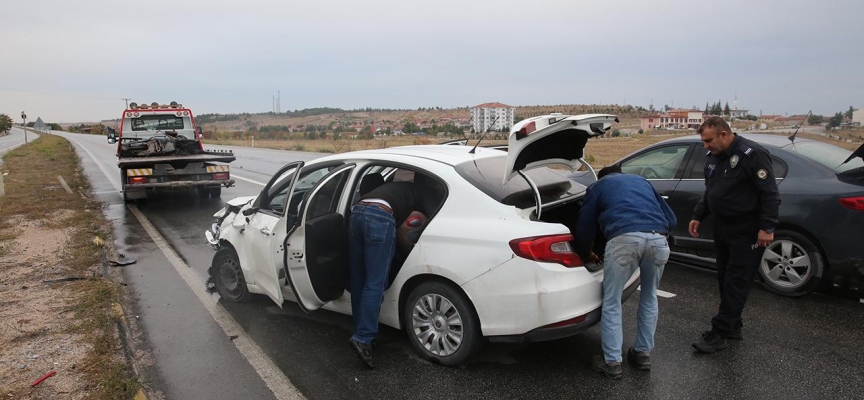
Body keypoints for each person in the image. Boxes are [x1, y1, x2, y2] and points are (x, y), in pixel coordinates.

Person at [575, 164, 677, 379]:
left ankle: (612, 362)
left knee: (612, 301)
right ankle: (642, 355)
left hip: (624, 241)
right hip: (659, 240)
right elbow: (672, 220)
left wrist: (585, 253)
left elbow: (584, 226)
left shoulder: (598, 186)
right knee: (650, 297)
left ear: (602, 177)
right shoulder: (642, 182)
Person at [689, 116, 780, 354]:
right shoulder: (713, 158)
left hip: (747, 229)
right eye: (703, 142)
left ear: (724, 134)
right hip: (722, 227)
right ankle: (733, 325)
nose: (705, 146)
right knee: (724, 278)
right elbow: (711, 191)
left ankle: (719, 332)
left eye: (709, 141)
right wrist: (698, 215)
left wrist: (767, 227)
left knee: (736, 281)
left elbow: (769, 194)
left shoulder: (753, 155)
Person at [347, 175, 425, 369]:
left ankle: (362, 331)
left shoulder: (392, 187)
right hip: (380, 216)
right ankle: (363, 338)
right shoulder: (422, 194)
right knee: (375, 283)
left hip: (357, 211)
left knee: (359, 280)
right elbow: (411, 226)